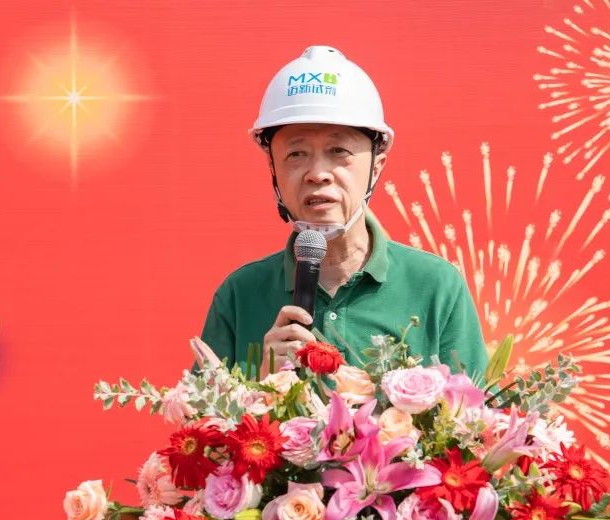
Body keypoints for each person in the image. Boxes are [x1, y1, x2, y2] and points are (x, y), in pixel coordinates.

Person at [199, 46, 488, 377]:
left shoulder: (435, 286)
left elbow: (474, 408)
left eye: (338, 151)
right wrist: (262, 385)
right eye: (296, 154)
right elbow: (200, 409)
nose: (317, 173)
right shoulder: (240, 295)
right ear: (273, 169)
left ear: (376, 167)